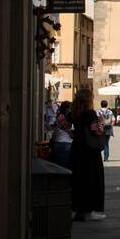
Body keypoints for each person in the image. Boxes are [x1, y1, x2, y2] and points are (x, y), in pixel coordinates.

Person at [68, 89, 106, 221]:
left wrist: (74, 133)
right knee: (91, 179)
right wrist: (102, 122)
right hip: (90, 152)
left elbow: (63, 125)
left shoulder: (73, 113)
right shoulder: (90, 114)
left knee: (77, 179)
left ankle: (77, 208)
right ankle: (89, 209)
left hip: (76, 149)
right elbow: (97, 131)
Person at [50, 100, 74, 170]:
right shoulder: (70, 118)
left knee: (57, 167)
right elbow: (71, 132)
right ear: (67, 108)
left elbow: (54, 130)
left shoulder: (59, 116)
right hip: (67, 144)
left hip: (57, 143)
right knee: (66, 168)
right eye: (70, 108)